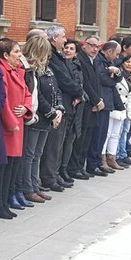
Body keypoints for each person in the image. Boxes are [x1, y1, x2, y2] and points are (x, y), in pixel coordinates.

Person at [19, 36, 63, 204]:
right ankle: (27, 188)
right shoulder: (31, 70)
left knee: (37, 154)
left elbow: (56, 90)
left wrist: (59, 109)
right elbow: (38, 96)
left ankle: (34, 185)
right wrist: (51, 113)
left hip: (47, 118)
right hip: (37, 117)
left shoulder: (47, 68)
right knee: (29, 155)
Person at [0, 38, 30, 219]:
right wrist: (11, 122)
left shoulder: (19, 71)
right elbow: (3, 100)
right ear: (5, 55)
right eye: (16, 51)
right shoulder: (2, 71)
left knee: (13, 165)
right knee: (2, 166)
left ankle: (5, 201)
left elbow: (27, 94)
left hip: (18, 124)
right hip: (8, 127)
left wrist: (26, 108)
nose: (19, 55)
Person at [43, 25, 82, 188]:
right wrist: (78, 91)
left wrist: (78, 93)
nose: (65, 40)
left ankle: (55, 173)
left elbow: (71, 78)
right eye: (63, 37)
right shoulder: (52, 57)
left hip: (66, 103)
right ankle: (49, 177)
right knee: (53, 145)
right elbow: (64, 80)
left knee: (59, 143)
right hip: (58, 105)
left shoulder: (58, 56)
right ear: (54, 38)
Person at [73, 37, 106, 177]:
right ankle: (74, 168)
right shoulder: (81, 59)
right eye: (92, 45)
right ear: (84, 45)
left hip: (93, 104)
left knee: (87, 138)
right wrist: (96, 101)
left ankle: (81, 166)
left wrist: (98, 100)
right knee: (80, 139)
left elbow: (96, 83)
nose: (95, 49)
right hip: (85, 104)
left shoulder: (95, 60)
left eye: (97, 46)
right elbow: (85, 82)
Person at [61, 40, 88, 179]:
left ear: (76, 53)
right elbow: (67, 84)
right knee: (61, 141)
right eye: (66, 48)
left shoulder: (78, 66)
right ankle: (59, 171)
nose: (68, 50)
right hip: (66, 106)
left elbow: (81, 85)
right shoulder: (61, 65)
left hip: (77, 108)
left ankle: (64, 169)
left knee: (70, 140)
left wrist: (80, 96)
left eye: (71, 49)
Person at [98, 41, 125, 172]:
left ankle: (109, 158)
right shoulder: (100, 61)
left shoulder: (110, 62)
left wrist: (116, 74)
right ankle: (100, 160)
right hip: (102, 100)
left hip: (109, 101)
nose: (117, 57)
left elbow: (118, 78)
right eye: (116, 54)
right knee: (103, 134)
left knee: (109, 133)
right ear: (109, 51)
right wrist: (112, 77)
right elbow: (103, 79)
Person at [114, 55, 131, 167]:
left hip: (127, 107)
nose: (129, 64)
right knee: (116, 133)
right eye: (127, 62)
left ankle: (123, 154)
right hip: (118, 106)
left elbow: (130, 96)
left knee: (125, 131)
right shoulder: (118, 74)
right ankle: (117, 155)